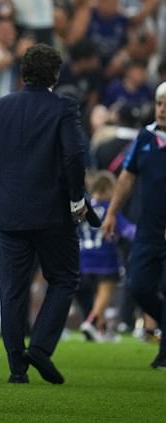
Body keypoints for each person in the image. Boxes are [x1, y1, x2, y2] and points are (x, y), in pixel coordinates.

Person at [0, 43, 89, 384]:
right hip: (54, 213)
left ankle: (17, 368)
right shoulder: (64, 108)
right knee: (65, 278)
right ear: (56, 74)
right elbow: (73, 157)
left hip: (9, 213)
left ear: (22, 73)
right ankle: (39, 346)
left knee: (11, 287)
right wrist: (76, 199)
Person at [101, 81, 166, 369]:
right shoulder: (145, 137)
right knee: (138, 285)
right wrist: (112, 212)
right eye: (160, 103)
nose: (162, 110)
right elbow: (127, 176)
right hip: (149, 229)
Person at [78, 171, 135, 342]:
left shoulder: (84, 206)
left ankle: (101, 330)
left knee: (97, 295)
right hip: (105, 257)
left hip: (82, 258)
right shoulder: (109, 208)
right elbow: (127, 230)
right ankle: (91, 321)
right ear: (108, 188)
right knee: (105, 293)